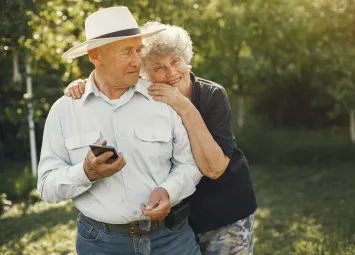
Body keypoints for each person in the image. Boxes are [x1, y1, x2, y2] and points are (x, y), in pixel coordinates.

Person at [65, 22, 258, 254]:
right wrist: (85, 85)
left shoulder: (211, 95)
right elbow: (109, 85)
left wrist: (183, 106)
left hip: (225, 213)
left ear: (186, 59)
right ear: (145, 74)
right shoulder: (148, 97)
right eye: (159, 67)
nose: (171, 72)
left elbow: (215, 169)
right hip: (177, 222)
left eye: (175, 61)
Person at [38, 7, 203, 255]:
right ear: (95, 56)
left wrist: (168, 191)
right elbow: (47, 187)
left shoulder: (162, 99)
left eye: (138, 50)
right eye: (126, 52)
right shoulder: (65, 111)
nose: (138, 61)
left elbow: (190, 164)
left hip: (170, 239)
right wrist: (86, 172)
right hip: (101, 245)